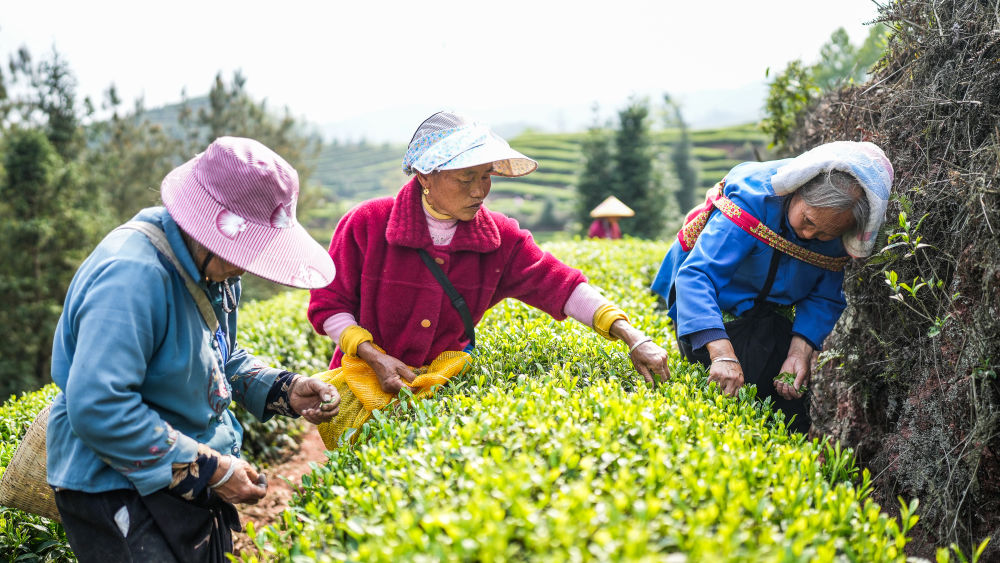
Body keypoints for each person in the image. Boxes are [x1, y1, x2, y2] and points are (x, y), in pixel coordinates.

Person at [46, 137, 343, 562]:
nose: (247, 263)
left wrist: (284, 388)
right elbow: (100, 406)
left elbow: (217, 357)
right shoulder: (132, 277)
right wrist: (213, 470)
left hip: (181, 476)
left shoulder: (216, 269)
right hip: (116, 488)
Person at [307, 112, 670, 444]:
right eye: (466, 178)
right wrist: (373, 355)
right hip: (361, 380)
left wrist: (633, 337)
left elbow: (563, 286)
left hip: (443, 385)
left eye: (485, 177)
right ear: (425, 176)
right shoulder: (367, 223)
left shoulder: (499, 239)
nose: (479, 191)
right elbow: (329, 305)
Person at [650, 141, 892, 433]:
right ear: (798, 190)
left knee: (791, 395)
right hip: (712, 314)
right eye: (808, 220)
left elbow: (824, 297)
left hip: (769, 316)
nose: (810, 234)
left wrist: (799, 352)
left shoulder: (834, 240)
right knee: (741, 389)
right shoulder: (752, 202)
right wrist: (722, 354)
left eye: (826, 233)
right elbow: (698, 276)